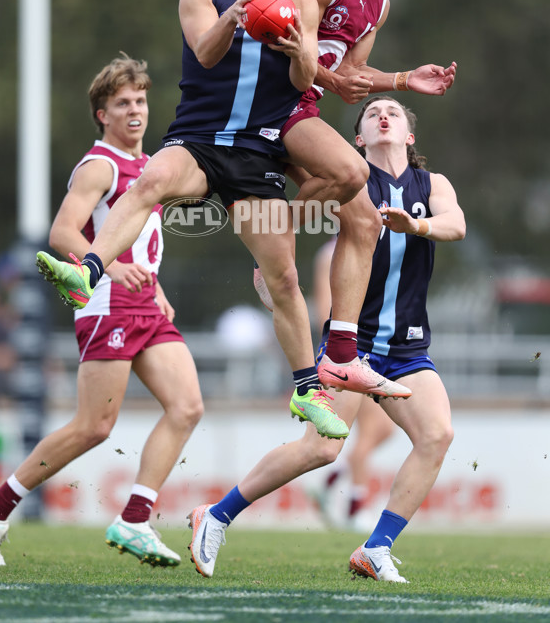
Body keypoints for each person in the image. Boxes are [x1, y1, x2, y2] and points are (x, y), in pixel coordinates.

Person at [35, 0, 398, 440]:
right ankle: (87, 273)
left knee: (285, 277)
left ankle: (306, 390)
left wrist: (300, 47)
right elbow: (205, 55)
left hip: (258, 151)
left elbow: (303, 83)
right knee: (151, 182)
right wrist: (236, 16)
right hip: (199, 138)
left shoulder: (299, 0)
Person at [187, 95, 465, 582]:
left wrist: (414, 224)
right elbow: (291, 197)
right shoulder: (349, 178)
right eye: (372, 113)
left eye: (395, 113)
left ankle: (376, 548)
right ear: (357, 137)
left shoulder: (431, 184)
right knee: (320, 449)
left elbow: (456, 225)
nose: (384, 116)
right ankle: (216, 515)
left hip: (405, 346)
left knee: (437, 435)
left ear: (410, 135)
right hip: (350, 346)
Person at [0, 55, 204, 566]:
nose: (135, 110)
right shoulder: (101, 164)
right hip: (108, 302)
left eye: (140, 100)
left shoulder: (150, 165)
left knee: (187, 407)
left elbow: (142, 238)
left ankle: (136, 519)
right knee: (94, 427)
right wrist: (112, 269)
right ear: (103, 114)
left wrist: (154, 284)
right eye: (123, 103)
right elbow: (62, 233)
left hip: (146, 302)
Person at [253, 0, 455, 398]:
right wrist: (335, 81)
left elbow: (351, 73)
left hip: (303, 106)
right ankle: (275, 257)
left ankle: (341, 355)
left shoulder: (379, 4)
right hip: (268, 101)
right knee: (353, 173)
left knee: (365, 220)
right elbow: (281, 43)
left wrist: (405, 80)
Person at [312, 238, 395, 530]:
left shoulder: (374, 245)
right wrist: (343, 350)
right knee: (369, 432)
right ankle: (356, 508)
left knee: (382, 431)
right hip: (350, 353)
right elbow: (325, 307)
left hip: (373, 348)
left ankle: (332, 482)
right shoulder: (332, 252)